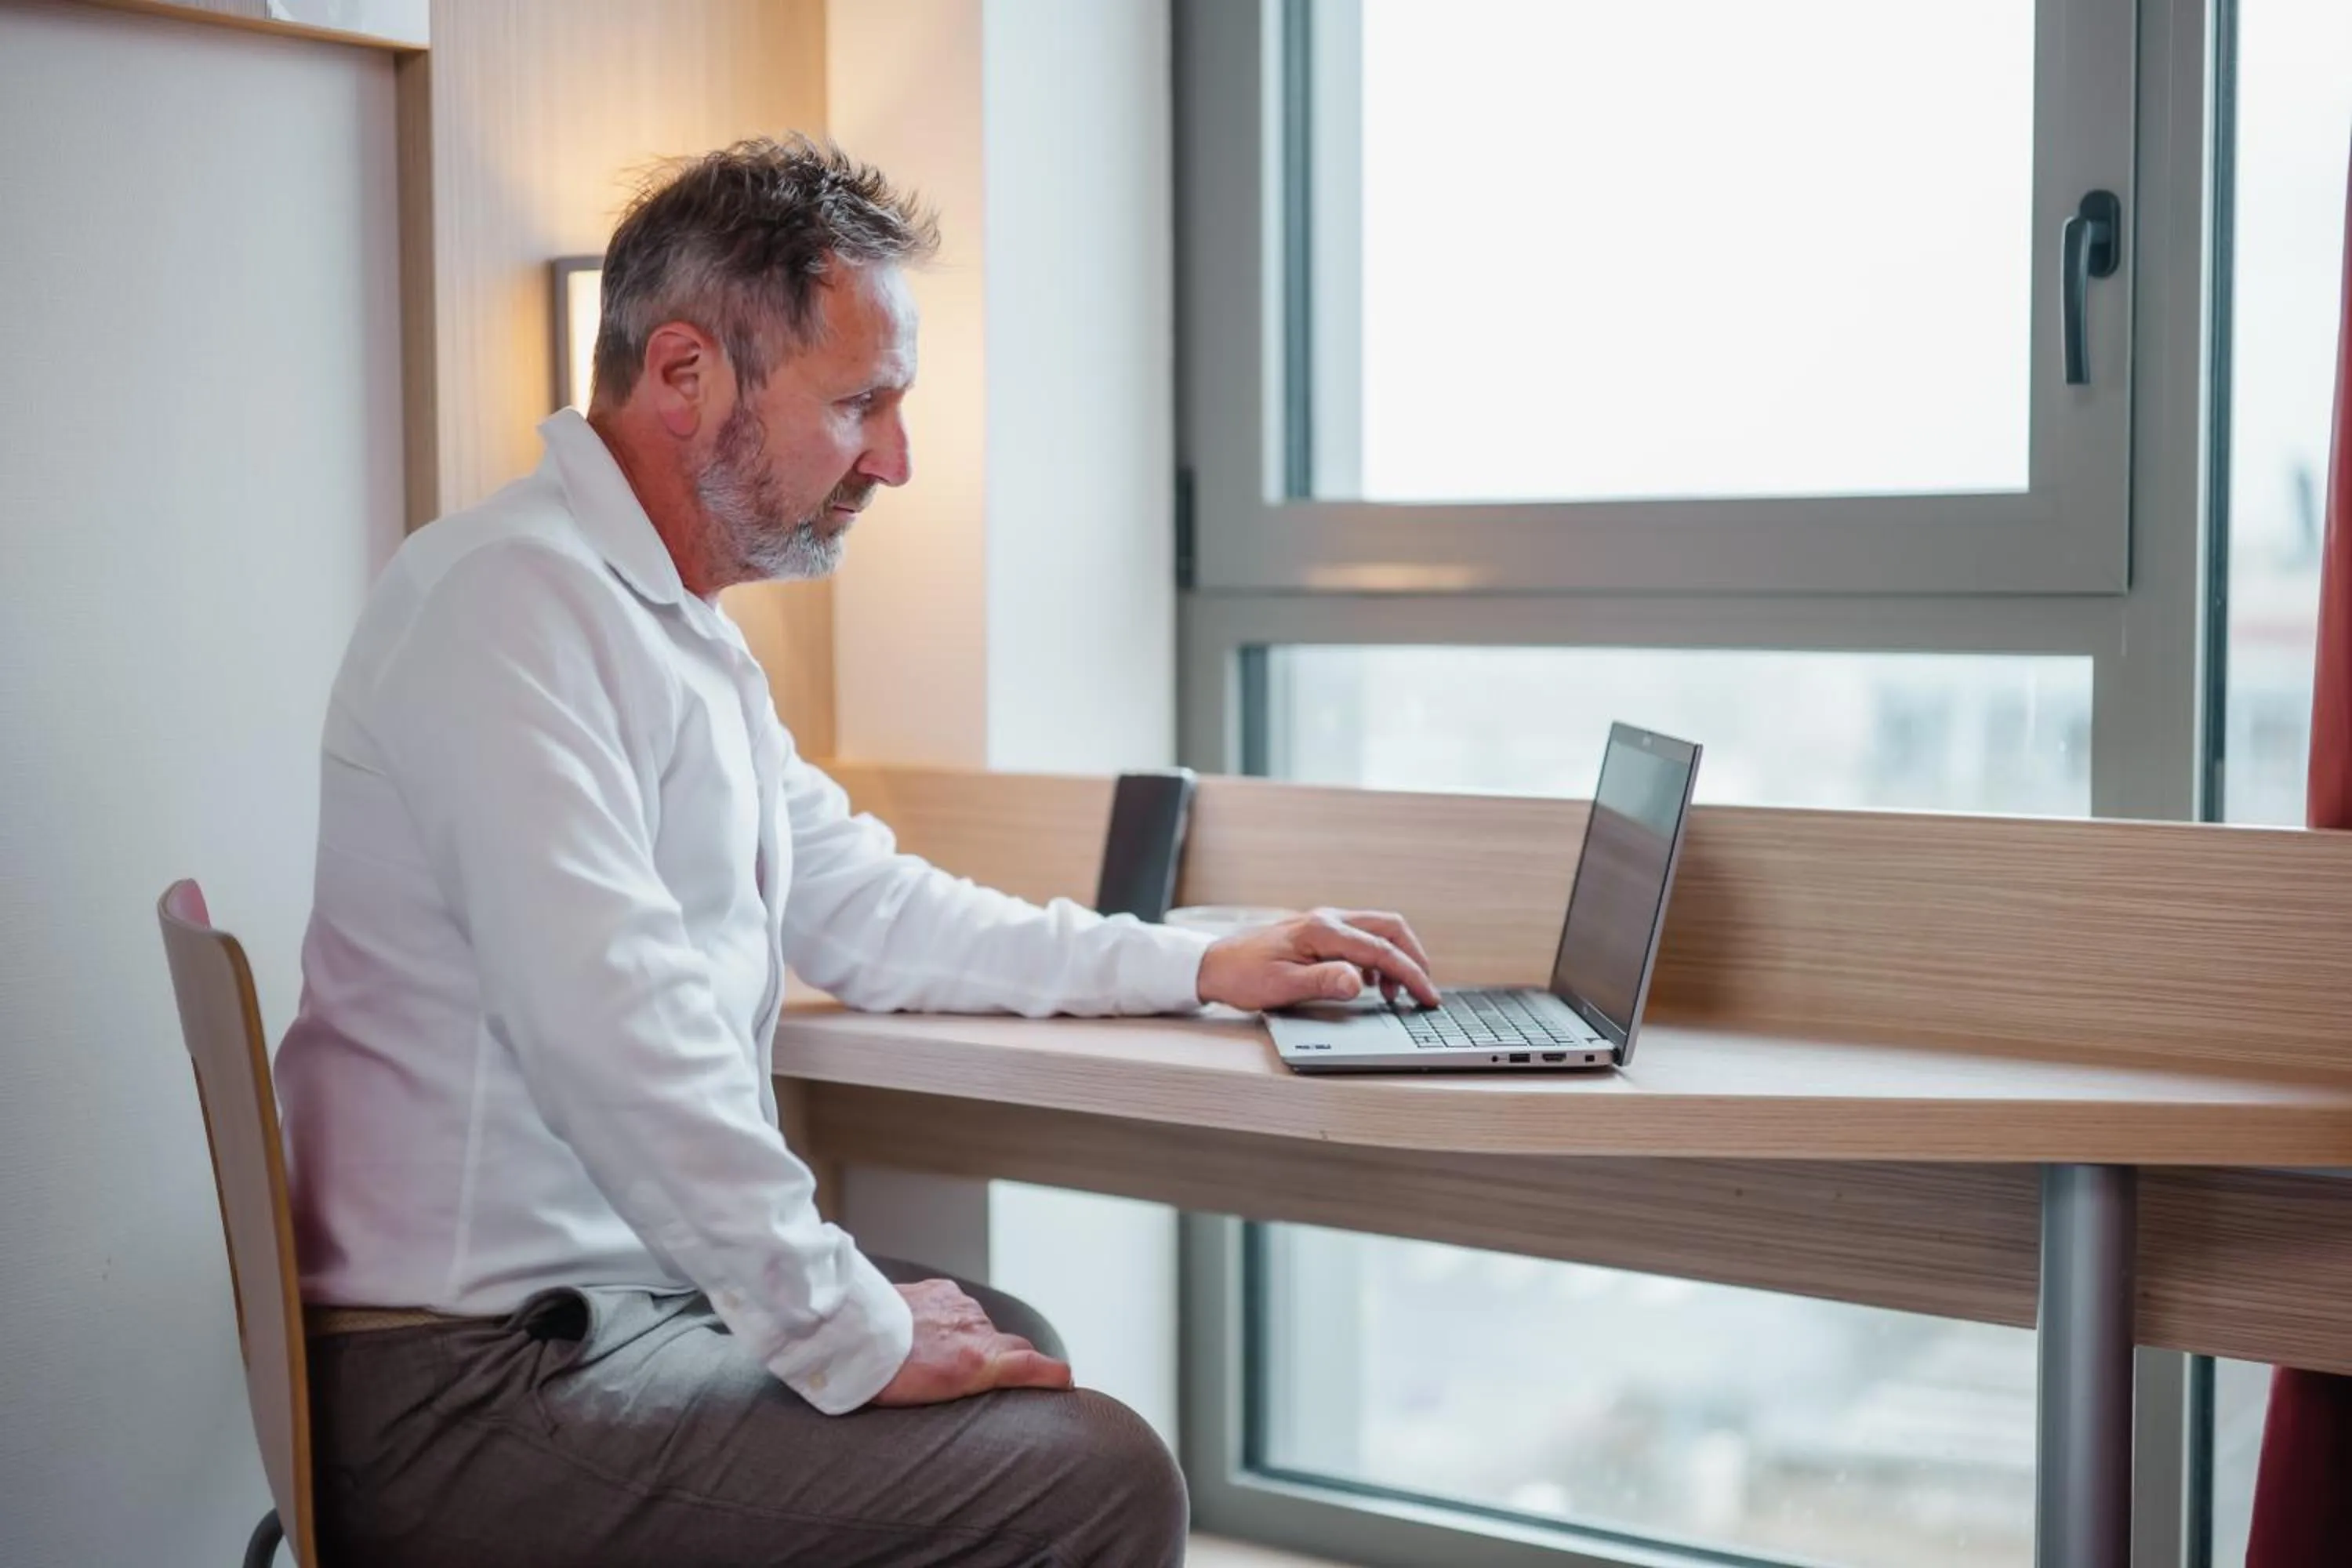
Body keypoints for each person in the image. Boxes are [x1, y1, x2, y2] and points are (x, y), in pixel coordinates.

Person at [274, 135, 1438, 1568]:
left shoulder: (666, 626)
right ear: (687, 375)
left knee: (1022, 1360)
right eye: (860, 404)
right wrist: (840, 1326)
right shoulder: (507, 610)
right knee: (1093, 1477)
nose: (896, 458)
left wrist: (1198, 961)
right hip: (469, 1385)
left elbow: (871, 908)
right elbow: (617, 1031)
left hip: (598, 1309)